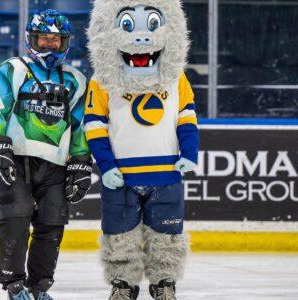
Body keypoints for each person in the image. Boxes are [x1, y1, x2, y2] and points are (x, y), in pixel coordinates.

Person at [85, 0, 199, 299]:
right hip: (122, 174)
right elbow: (94, 126)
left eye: (151, 25)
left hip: (165, 174)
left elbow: (187, 118)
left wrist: (189, 153)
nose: (140, 38)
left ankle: (165, 281)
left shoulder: (176, 77)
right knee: (119, 232)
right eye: (126, 25)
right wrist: (106, 166)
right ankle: (123, 283)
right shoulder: (101, 81)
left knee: (167, 234)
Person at [0, 9, 92, 300]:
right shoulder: (12, 69)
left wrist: (81, 161)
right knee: (15, 219)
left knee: (52, 224)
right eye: (44, 38)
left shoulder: (76, 80)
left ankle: (39, 286)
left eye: (56, 40)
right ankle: (14, 285)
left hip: (56, 166)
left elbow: (80, 125)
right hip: (15, 160)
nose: (50, 45)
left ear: (65, 43)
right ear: (32, 39)